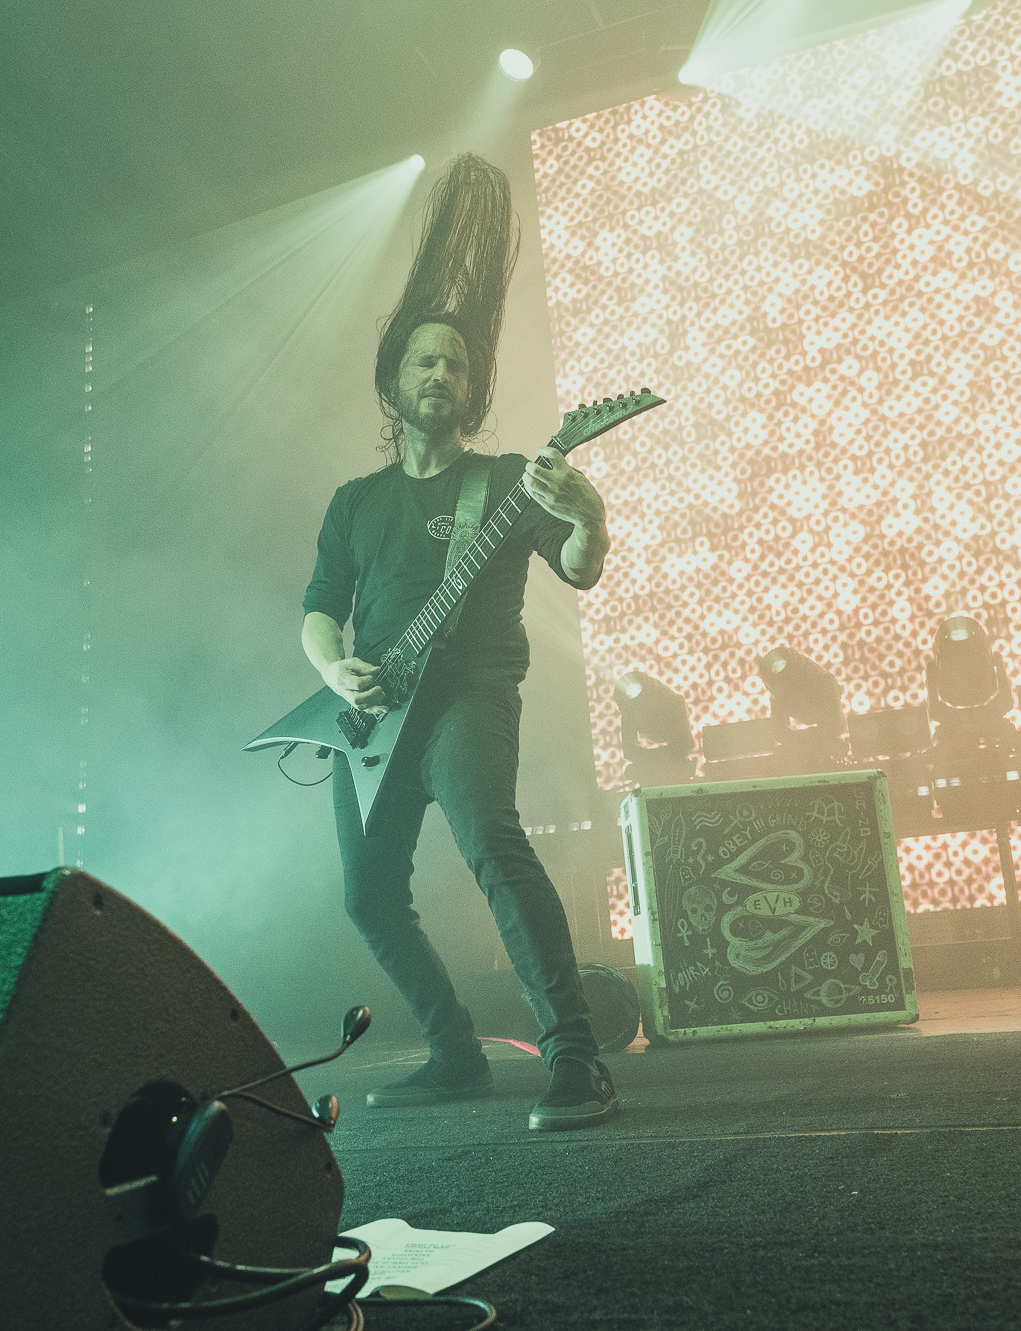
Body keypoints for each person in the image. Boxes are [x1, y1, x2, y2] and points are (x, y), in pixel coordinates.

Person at [298, 156, 617, 1131]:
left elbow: (578, 569)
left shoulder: (509, 479)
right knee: (367, 896)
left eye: (456, 364)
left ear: (473, 388)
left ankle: (576, 1058)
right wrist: (334, 669)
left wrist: (589, 516)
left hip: (470, 694)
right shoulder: (356, 501)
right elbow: (319, 608)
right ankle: (452, 1051)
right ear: (394, 381)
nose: (440, 372)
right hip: (373, 714)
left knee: (493, 845)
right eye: (423, 361)